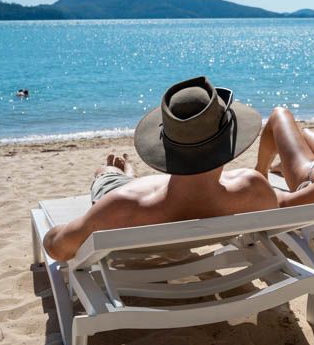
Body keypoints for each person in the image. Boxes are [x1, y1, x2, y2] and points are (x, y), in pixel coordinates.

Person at [43, 77, 277, 262]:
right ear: (228, 142)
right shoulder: (253, 187)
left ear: (166, 147)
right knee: (131, 182)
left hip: (140, 198)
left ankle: (114, 174)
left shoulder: (119, 206)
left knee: (106, 174)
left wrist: (53, 234)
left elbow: (59, 249)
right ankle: (126, 174)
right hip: (161, 195)